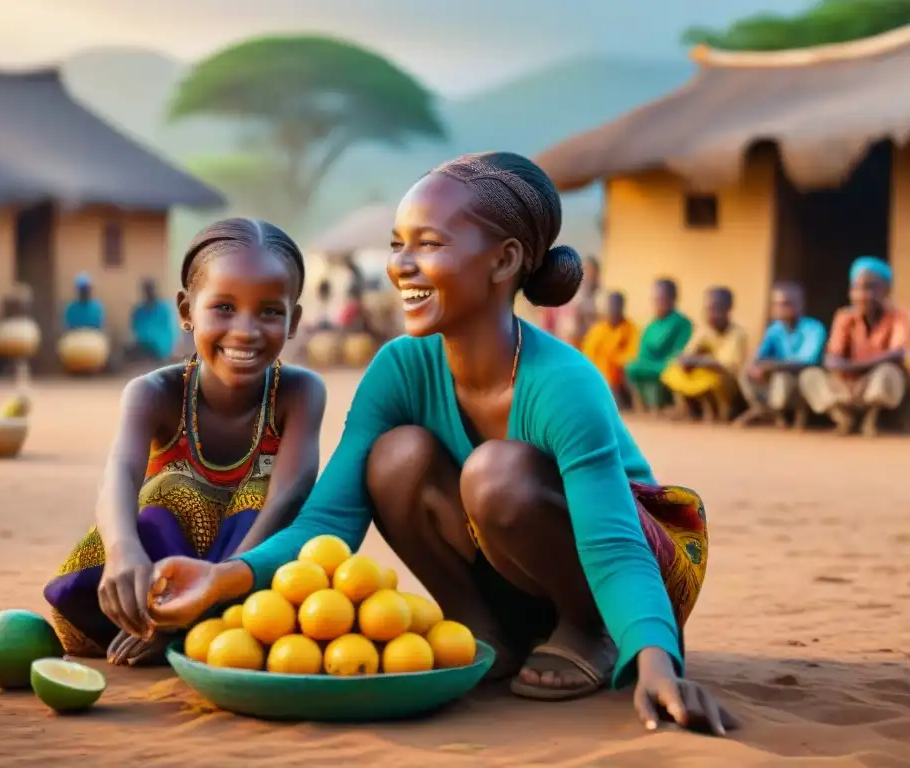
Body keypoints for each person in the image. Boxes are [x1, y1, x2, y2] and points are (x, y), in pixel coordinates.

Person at [145, 153, 733, 736]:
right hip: (514, 574)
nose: (402, 266)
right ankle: (484, 632)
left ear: (503, 260)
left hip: (636, 573)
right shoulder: (400, 366)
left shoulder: (563, 382)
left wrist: (658, 660)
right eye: (398, 244)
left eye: (428, 244)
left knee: (494, 473)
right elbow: (329, 519)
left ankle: (589, 633)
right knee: (395, 457)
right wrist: (224, 578)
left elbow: (613, 542)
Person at [43, 218, 327, 666]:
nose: (246, 331)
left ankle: (198, 631)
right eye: (224, 308)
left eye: (270, 311)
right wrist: (122, 552)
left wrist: (210, 596)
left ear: (294, 321)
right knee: (167, 492)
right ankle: (157, 625)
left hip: (248, 581)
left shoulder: (300, 393)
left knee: (264, 492)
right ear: (186, 310)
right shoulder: (154, 393)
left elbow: (287, 499)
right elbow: (118, 477)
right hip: (157, 574)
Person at [798, 257, 908, 437]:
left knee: (888, 372)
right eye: (856, 288)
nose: (862, 295)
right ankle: (843, 418)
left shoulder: (900, 316)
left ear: (887, 289)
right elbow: (832, 361)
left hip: (873, 383)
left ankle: (873, 418)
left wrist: (850, 366)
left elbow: (897, 356)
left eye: (871, 288)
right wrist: (856, 372)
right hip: (848, 385)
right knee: (809, 376)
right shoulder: (844, 316)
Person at [735, 283, 825, 429]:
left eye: (786, 304)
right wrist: (755, 365)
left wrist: (773, 366)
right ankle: (765, 411)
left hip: (802, 378)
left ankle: (795, 415)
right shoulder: (775, 329)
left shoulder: (813, 328)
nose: (781, 309)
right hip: (778, 374)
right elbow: (759, 355)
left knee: (787, 377)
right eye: (776, 304)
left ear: (800, 305)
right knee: (746, 370)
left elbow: (808, 361)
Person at [661, 288, 747, 423]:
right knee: (673, 371)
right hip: (703, 372)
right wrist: (688, 360)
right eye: (709, 309)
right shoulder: (704, 331)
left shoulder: (737, 334)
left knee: (712, 379)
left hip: (726, 381)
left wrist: (700, 361)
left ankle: (722, 411)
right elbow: (687, 354)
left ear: (729, 309)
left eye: (717, 308)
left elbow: (726, 366)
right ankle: (688, 409)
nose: (712, 314)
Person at [623, 280, 693, 414]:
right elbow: (642, 352)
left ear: (673, 299)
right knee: (631, 367)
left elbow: (680, 350)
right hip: (648, 363)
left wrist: (671, 361)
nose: (657, 303)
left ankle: (666, 407)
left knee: (670, 371)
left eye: (662, 299)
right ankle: (642, 406)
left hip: (668, 363)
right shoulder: (651, 325)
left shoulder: (682, 323)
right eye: (655, 299)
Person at [580, 291, 639, 405]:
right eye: (611, 306)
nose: (613, 309)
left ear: (622, 307)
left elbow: (632, 354)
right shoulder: (597, 329)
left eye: (617, 306)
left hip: (619, 379)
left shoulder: (630, 329)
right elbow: (587, 354)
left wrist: (614, 360)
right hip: (597, 377)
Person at [542, 255, 601, 347]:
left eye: (591, 272)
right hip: (562, 343)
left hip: (584, 346)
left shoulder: (598, 299)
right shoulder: (565, 295)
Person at [127, 278, 177, 363]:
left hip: (160, 348)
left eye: (150, 289)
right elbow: (136, 328)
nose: (149, 293)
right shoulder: (139, 311)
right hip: (143, 345)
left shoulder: (164, 309)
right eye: (147, 290)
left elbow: (170, 332)